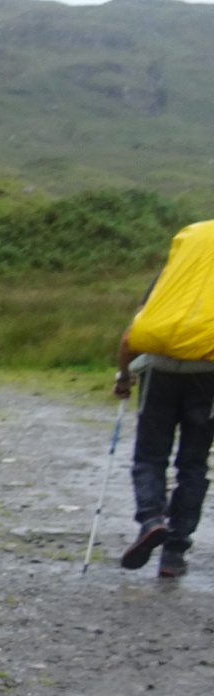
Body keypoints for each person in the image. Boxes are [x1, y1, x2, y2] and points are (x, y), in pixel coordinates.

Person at [115, 220, 214, 579]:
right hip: (209, 375)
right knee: (193, 464)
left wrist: (124, 377)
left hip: (159, 374)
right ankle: (174, 553)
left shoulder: (172, 277)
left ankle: (151, 520)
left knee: (150, 455)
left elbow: (132, 335)